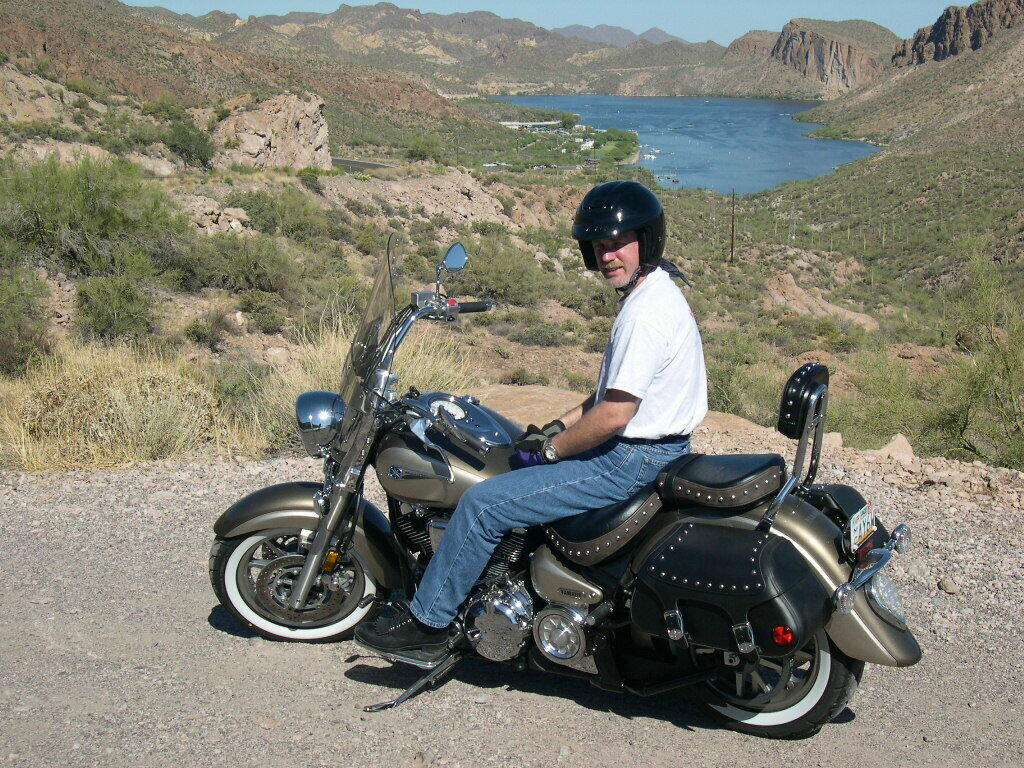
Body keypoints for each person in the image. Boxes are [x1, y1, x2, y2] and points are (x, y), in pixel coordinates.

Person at [355, 180, 708, 661]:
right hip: (650, 451)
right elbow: (606, 396)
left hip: (630, 460)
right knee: (516, 471)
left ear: (646, 241)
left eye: (617, 244)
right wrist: (554, 428)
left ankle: (428, 624)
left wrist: (551, 450)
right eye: (599, 246)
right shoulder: (657, 293)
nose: (607, 256)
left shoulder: (644, 315)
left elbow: (614, 414)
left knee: (483, 503)